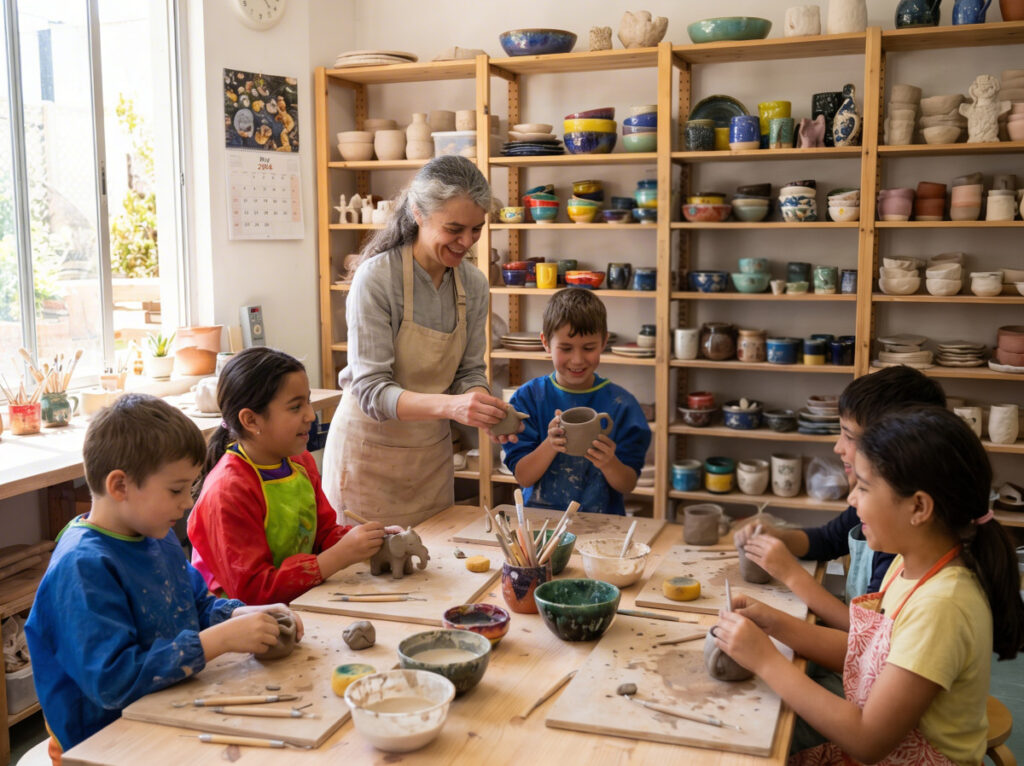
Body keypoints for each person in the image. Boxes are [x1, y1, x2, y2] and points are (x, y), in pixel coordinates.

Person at [714, 406, 1024, 765]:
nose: (851, 499)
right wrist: (776, 624)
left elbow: (868, 740)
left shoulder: (943, 605)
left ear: (919, 507)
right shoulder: (907, 564)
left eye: (863, 487)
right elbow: (868, 652)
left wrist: (766, 661)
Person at [24, 394, 298, 760]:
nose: (187, 502)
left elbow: (195, 604)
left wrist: (239, 615)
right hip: (101, 743)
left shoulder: (155, 533)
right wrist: (217, 641)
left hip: (165, 708)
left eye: (190, 488)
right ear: (120, 486)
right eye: (175, 489)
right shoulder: (82, 567)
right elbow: (114, 682)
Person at [321, 155, 513, 527]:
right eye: (455, 228)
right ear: (418, 213)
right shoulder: (377, 279)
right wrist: (452, 407)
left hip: (428, 462)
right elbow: (373, 391)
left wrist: (480, 404)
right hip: (367, 459)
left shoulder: (472, 284)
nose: (467, 242)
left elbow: (469, 370)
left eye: (476, 229)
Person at [734, 365, 946, 630]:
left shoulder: (902, 537)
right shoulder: (879, 507)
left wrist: (791, 574)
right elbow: (828, 539)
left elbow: (867, 636)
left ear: (893, 443)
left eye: (848, 436)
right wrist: (778, 536)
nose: (838, 447)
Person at [189, 347, 394, 604]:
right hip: (238, 624)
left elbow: (323, 534)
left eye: (307, 401)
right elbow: (251, 593)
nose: (310, 415)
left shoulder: (299, 462)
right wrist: (336, 558)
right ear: (251, 421)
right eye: (296, 407)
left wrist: (369, 542)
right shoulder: (228, 491)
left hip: (292, 602)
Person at [501, 288, 651, 515]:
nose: (578, 359)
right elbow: (523, 477)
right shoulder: (528, 399)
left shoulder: (622, 405)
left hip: (603, 525)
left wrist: (609, 462)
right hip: (542, 524)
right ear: (546, 342)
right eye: (566, 348)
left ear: (604, 342)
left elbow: (627, 484)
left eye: (589, 348)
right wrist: (550, 445)